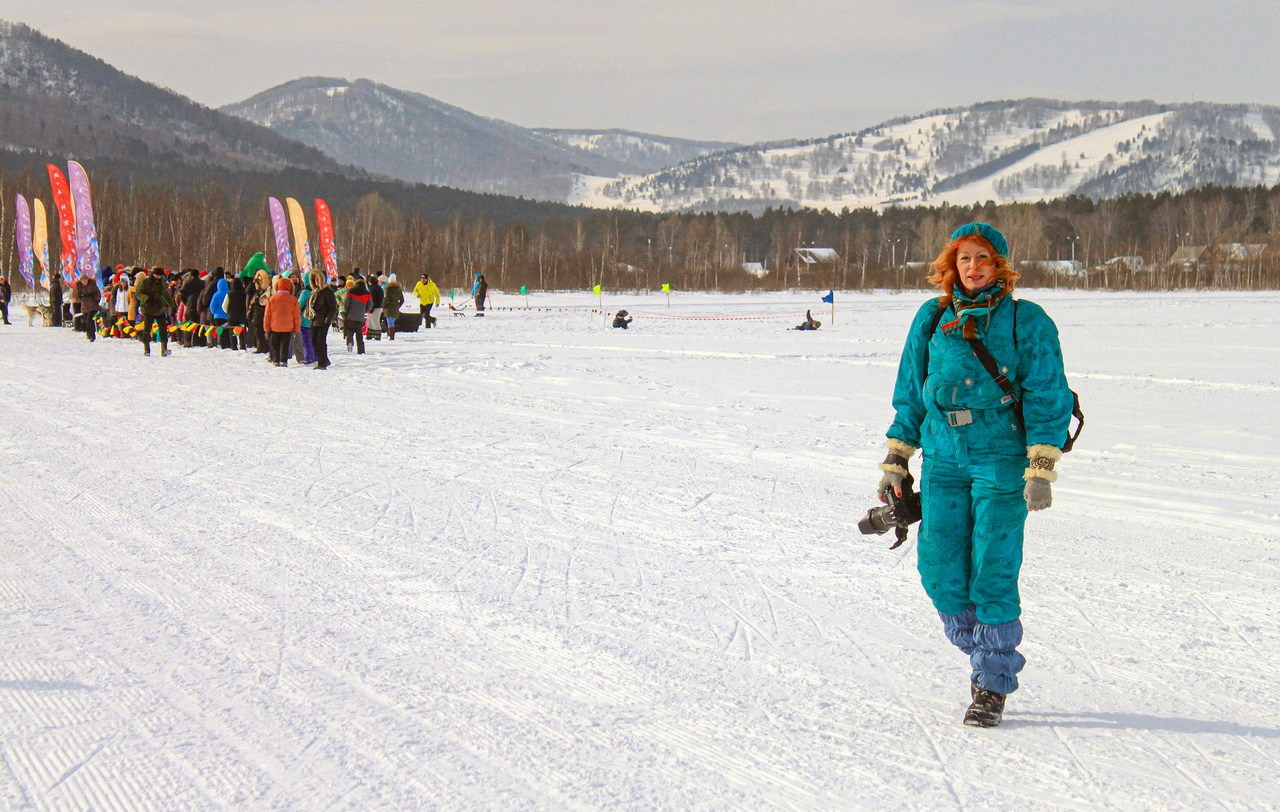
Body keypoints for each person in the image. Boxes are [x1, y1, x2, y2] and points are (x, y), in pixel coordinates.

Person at [878, 222, 1074, 728]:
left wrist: (1041, 467)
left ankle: (991, 681)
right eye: (963, 258)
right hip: (942, 457)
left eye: (982, 257)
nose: (972, 267)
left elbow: (1048, 393)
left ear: (999, 265)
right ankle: (985, 651)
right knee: (939, 570)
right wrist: (898, 455)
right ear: (951, 266)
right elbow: (911, 389)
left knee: (992, 568)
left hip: (1000, 457)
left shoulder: (1026, 320)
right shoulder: (932, 316)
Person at [134, 266, 176, 356]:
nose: (158, 277)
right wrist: (146, 298)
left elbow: (166, 295)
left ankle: (164, 349)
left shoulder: (162, 283)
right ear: (153, 274)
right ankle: (147, 349)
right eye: (157, 275)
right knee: (147, 329)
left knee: (163, 329)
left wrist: (172, 305)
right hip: (148, 309)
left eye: (160, 275)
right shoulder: (145, 282)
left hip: (160, 309)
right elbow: (138, 293)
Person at [263, 275, 301, 367]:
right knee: (285, 345)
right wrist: (296, 328)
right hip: (288, 327)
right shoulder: (293, 299)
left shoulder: (272, 298)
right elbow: (296, 315)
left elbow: (267, 315)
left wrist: (266, 327)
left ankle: (275, 360)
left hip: (274, 327)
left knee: (274, 345)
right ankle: (283, 361)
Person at [307, 271, 336, 369]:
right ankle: (324, 360)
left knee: (320, 342)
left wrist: (328, 320)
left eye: (317, 279)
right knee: (314, 341)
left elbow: (333, 307)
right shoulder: (314, 291)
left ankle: (322, 363)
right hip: (314, 319)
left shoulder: (327, 291)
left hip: (323, 320)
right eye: (314, 279)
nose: (316, 281)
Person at [342, 276, 371, 354]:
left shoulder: (351, 291)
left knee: (350, 330)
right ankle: (361, 350)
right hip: (360, 316)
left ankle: (349, 342)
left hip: (351, 315)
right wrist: (365, 310)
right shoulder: (367, 293)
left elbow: (346, 303)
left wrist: (347, 310)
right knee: (359, 333)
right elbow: (370, 305)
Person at [75, 274, 101, 341]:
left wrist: (95, 299)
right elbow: (78, 295)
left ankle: (92, 336)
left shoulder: (92, 285)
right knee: (86, 321)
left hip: (93, 306)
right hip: (84, 306)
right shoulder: (79, 286)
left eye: (85, 280)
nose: (84, 281)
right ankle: (89, 334)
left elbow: (98, 293)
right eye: (82, 280)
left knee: (90, 320)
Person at [382, 274, 404, 340]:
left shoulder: (388, 289)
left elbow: (386, 299)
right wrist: (398, 305)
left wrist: (383, 306)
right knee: (392, 322)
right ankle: (390, 335)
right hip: (395, 308)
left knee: (390, 323)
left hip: (388, 308)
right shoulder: (399, 289)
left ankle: (391, 336)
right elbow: (402, 300)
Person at [366, 272, 385, 340]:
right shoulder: (379, 288)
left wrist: (370, 308)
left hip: (374, 307)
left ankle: (377, 335)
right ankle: (370, 334)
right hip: (379, 307)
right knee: (371, 322)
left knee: (375, 322)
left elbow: (372, 300)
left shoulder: (372, 289)